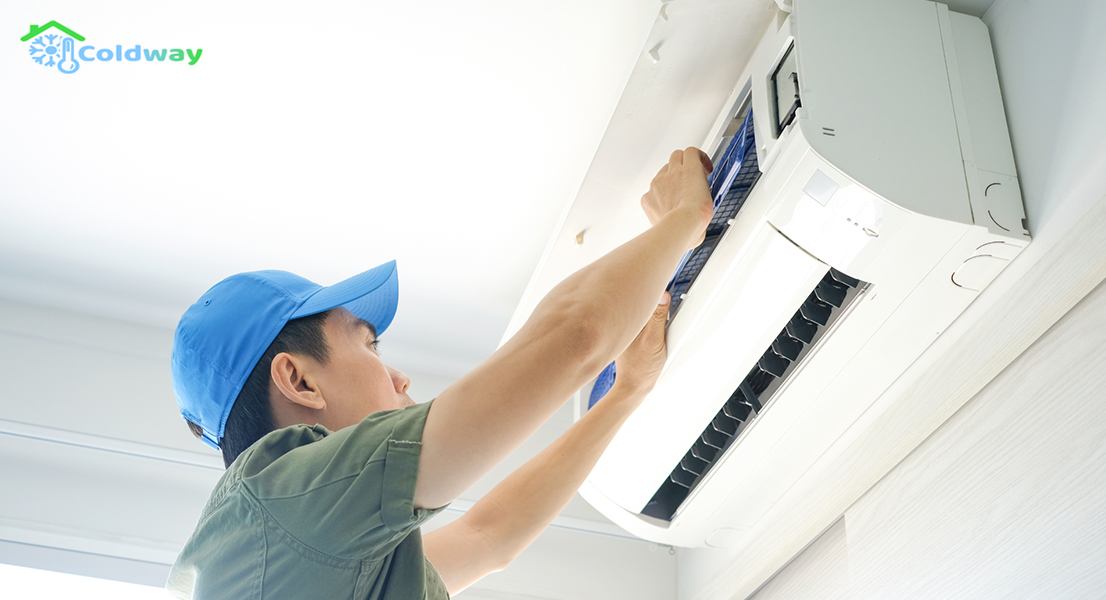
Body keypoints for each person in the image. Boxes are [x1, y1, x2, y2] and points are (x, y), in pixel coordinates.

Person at [166, 147, 715, 599]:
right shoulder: (281, 501)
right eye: (367, 344)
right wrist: (682, 221)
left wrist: (626, 391)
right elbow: (570, 340)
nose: (400, 378)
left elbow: (488, 537)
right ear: (299, 380)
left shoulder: (305, 547)